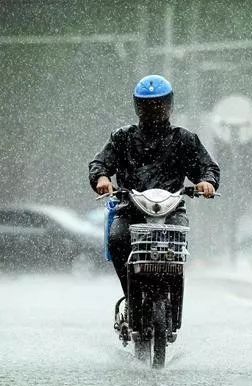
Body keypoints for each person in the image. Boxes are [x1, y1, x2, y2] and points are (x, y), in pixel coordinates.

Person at [88, 74, 220, 310]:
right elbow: (99, 164)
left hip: (171, 210)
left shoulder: (183, 139)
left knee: (176, 248)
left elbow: (207, 167)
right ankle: (130, 296)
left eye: (160, 104)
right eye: (148, 105)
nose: (154, 110)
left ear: (169, 105)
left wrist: (207, 182)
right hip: (130, 209)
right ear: (138, 107)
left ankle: (174, 302)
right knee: (117, 239)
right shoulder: (123, 138)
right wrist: (102, 178)